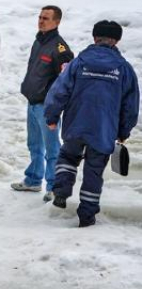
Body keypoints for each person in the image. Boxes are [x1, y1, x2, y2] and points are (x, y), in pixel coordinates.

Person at [44, 20, 139, 227]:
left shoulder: (79, 63)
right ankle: (86, 216)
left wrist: (51, 117)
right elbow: (130, 104)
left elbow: (59, 91)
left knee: (68, 157)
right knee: (94, 170)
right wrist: (124, 131)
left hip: (76, 123)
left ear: (94, 38)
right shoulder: (123, 68)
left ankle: (61, 193)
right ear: (117, 41)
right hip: (105, 129)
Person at [12, 6, 73, 202]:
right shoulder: (39, 41)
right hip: (32, 102)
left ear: (57, 22)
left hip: (47, 107)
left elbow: (65, 81)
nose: (41, 21)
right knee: (34, 145)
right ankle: (33, 179)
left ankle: (53, 186)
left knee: (52, 148)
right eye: (39, 17)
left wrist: (54, 105)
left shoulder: (60, 49)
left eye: (45, 18)